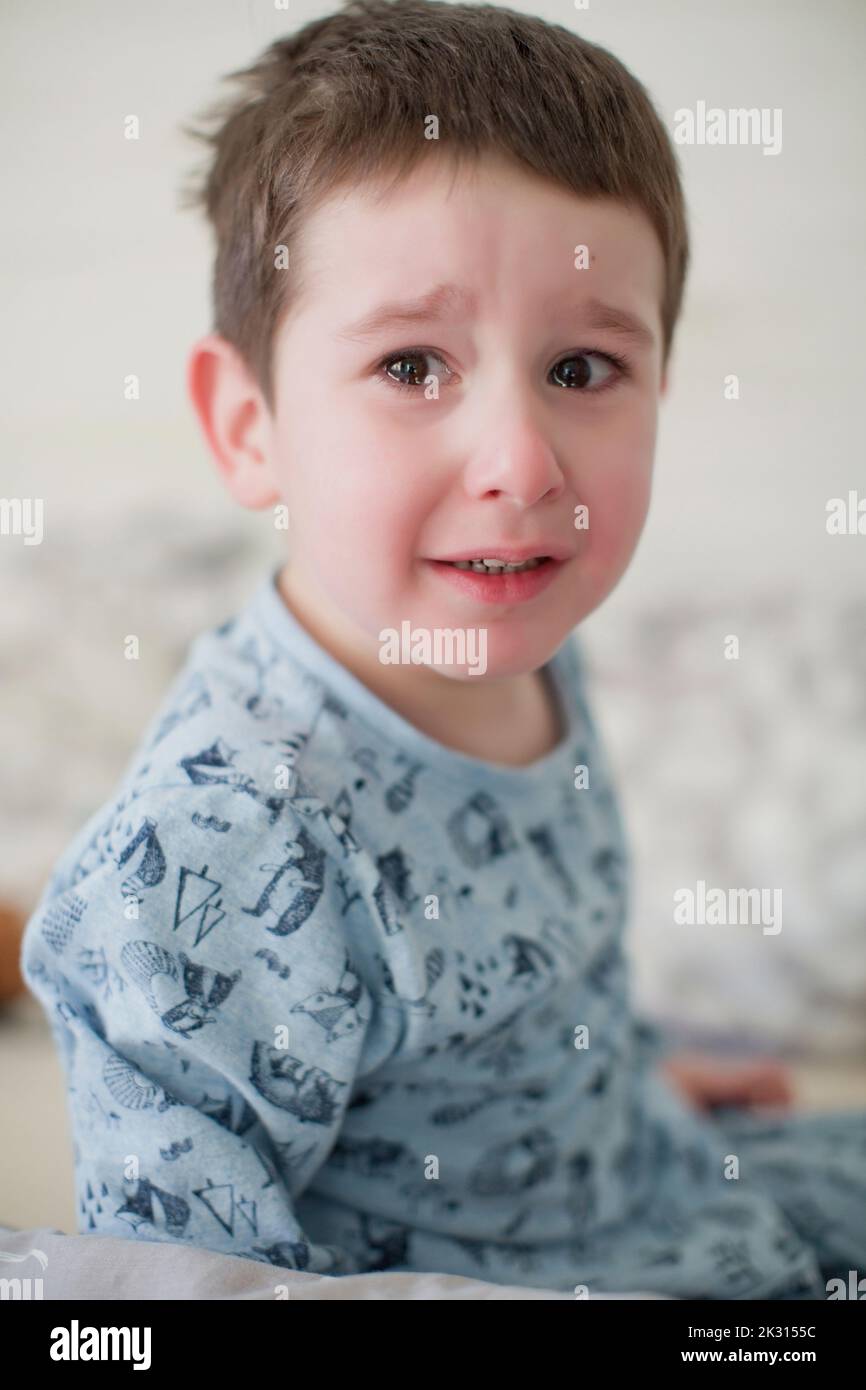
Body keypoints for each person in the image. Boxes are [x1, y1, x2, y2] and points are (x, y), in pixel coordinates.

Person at [20, 0, 866, 1298]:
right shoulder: (219, 845)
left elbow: (528, 965)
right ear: (250, 426)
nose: (521, 464)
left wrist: (610, 1089)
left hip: (635, 1177)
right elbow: (185, 1279)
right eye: (413, 364)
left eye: (581, 369)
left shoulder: (518, 634)